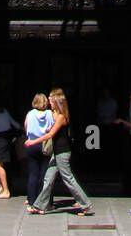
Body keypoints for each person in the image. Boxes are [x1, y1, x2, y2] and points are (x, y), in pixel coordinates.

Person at [26, 87, 94, 215]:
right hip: (56, 153)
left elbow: (50, 134)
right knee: (48, 178)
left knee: (68, 178)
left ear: (57, 103)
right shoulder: (55, 115)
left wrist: (33, 141)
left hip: (62, 153)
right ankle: (40, 205)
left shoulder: (62, 117)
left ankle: (85, 204)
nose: (50, 103)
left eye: (52, 102)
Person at [24, 93, 54, 207]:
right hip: (45, 145)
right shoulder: (49, 114)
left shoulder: (30, 114)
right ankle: (46, 200)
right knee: (45, 174)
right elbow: (51, 128)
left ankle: (32, 200)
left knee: (33, 174)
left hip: (32, 144)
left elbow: (26, 127)